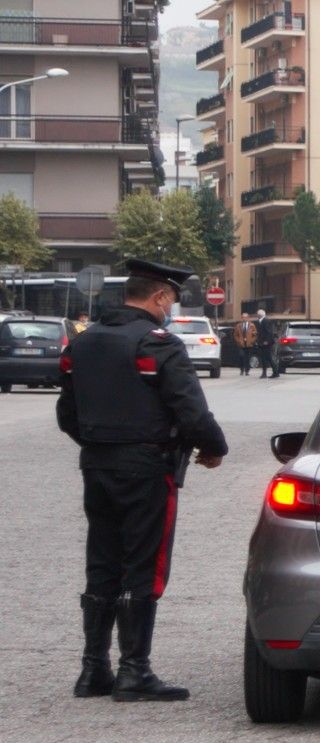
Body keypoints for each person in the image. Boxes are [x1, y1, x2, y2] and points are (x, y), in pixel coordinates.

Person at [56, 259, 228, 703]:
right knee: (143, 564)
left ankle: (94, 670)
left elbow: (67, 414)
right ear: (160, 297)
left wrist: (100, 443)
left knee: (102, 560)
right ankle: (135, 671)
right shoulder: (158, 343)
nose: (170, 309)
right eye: (171, 300)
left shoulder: (85, 342)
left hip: (96, 464)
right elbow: (190, 408)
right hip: (147, 467)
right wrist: (213, 447)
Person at [254, 309, 277, 378]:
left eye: (257, 314)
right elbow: (261, 332)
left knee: (269, 357)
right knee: (263, 358)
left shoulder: (266, 321)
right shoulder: (259, 322)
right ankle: (264, 373)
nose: (256, 315)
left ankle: (275, 372)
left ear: (260, 315)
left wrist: (267, 341)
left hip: (267, 343)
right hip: (261, 343)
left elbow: (269, 332)